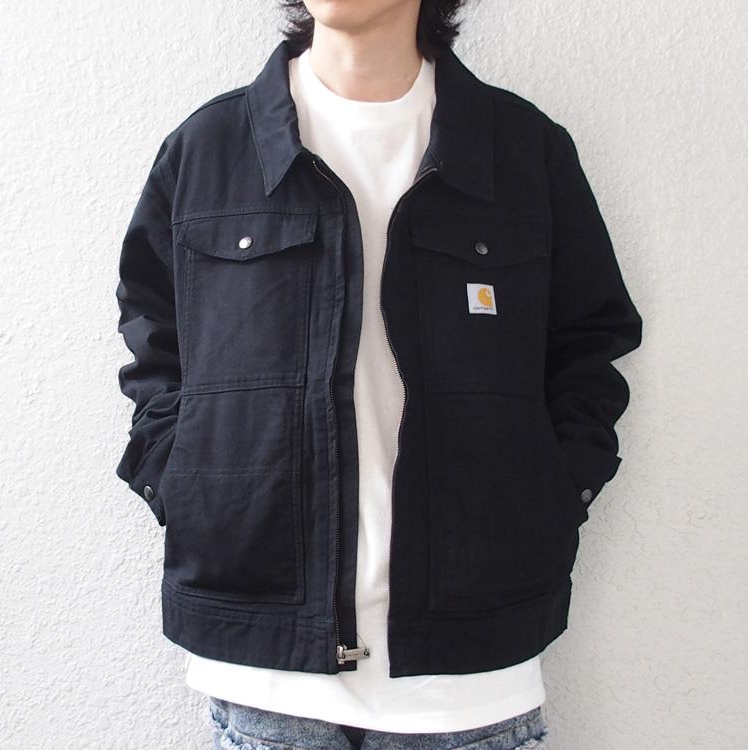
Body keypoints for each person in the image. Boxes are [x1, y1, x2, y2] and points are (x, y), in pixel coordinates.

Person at [114, 0, 643, 747]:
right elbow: (154, 342)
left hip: (468, 677)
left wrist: (551, 497)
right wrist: (181, 482)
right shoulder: (210, 150)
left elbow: (589, 344)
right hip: (267, 671)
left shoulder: (522, 150)